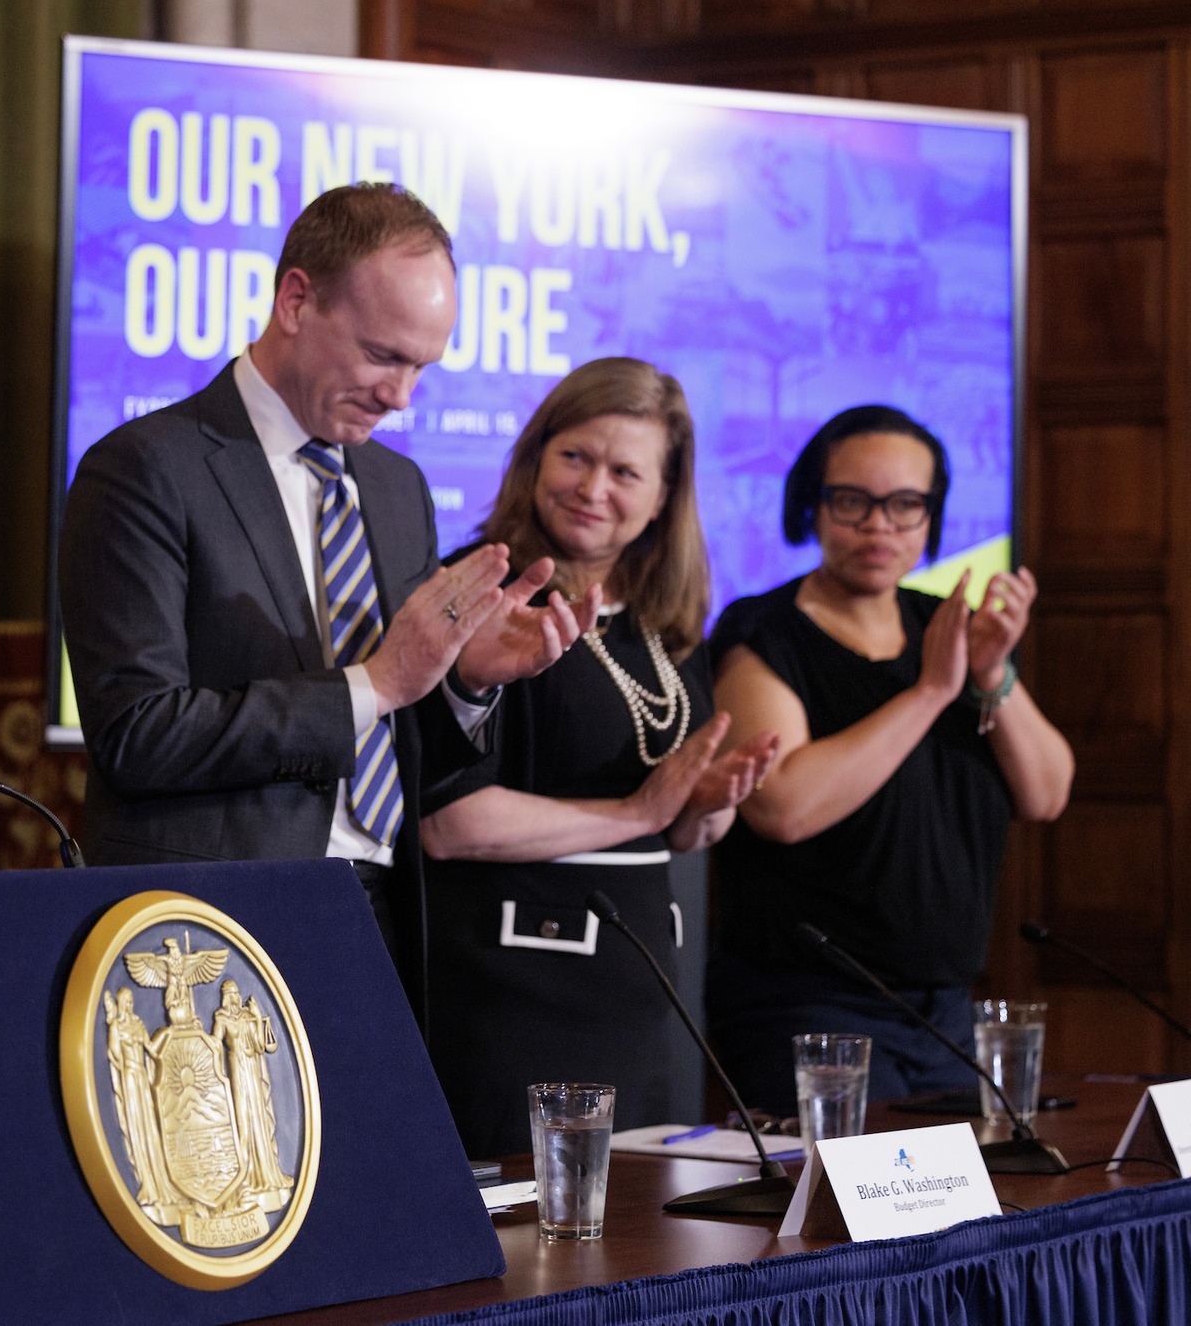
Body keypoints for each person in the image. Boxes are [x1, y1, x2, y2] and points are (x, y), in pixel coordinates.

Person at [59, 183, 595, 1009]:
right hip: (209, 930)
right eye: (384, 355)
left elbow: (406, 742)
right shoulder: (146, 469)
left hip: (379, 914)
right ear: (297, 301)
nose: (401, 395)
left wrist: (464, 679)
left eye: (422, 365)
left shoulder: (396, 485)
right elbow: (137, 733)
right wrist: (375, 682)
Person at [419, 358, 778, 1156]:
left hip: (640, 990)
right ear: (536, 457)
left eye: (625, 471)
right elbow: (448, 820)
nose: (593, 487)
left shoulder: (664, 617)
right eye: (575, 456)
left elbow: (680, 834)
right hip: (512, 994)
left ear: (662, 498)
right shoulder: (477, 590)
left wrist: (707, 800)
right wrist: (636, 813)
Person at [707, 405, 1072, 1116]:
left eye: (905, 505)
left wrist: (992, 673)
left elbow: (1048, 792)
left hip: (948, 1013)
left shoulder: (952, 627)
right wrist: (933, 690)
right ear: (810, 503)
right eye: (853, 502)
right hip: (808, 1007)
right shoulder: (762, 632)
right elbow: (782, 805)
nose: (879, 525)